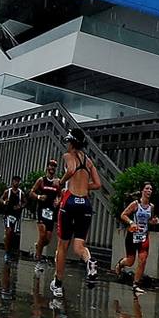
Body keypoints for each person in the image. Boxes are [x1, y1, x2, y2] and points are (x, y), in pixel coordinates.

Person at [51, 128, 102, 299]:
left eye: (68, 142)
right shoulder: (88, 161)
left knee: (62, 246)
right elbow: (98, 184)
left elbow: (71, 170)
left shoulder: (68, 156)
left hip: (70, 202)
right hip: (85, 205)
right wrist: (83, 186)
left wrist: (61, 181)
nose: (66, 144)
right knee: (79, 247)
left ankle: (57, 284)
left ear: (72, 142)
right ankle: (90, 262)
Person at [114, 181, 159, 295]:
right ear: (142, 191)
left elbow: (150, 220)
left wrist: (154, 221)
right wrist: (131, 222)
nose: (149, 191)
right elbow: (123, 214)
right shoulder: (135, 204)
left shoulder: (151, 206)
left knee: (143, 260)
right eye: (147, 189)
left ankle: (136, 285)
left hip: (144, 236)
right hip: (132, 236)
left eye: (151, 189)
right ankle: (120, 264)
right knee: (130, 262)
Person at [28, 160, 62, 274]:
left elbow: (60, 195)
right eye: (51, 165)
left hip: (51, 213)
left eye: (54, 166)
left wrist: (58, 201)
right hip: (41, 211)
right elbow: (31, 192)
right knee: (42, 235)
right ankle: (38, 261)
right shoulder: (41, 180)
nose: (52, 167)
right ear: (47, 167)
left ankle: (38, 246)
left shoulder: (57, 182)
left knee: (46, 240)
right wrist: (38, 197)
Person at [0, 174, 26, 262]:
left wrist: (20, 206)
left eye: (18, 181)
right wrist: (4, 202)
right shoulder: (8, 191)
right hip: (8, 215)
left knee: (13, 235)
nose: (16, 183)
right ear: (12, 181)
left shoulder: (20, 193)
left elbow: (25, 202)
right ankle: (7, 253)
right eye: (15, 181)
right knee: (8, 232)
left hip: (16, 216)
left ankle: (11, 251)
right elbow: (1, 199)